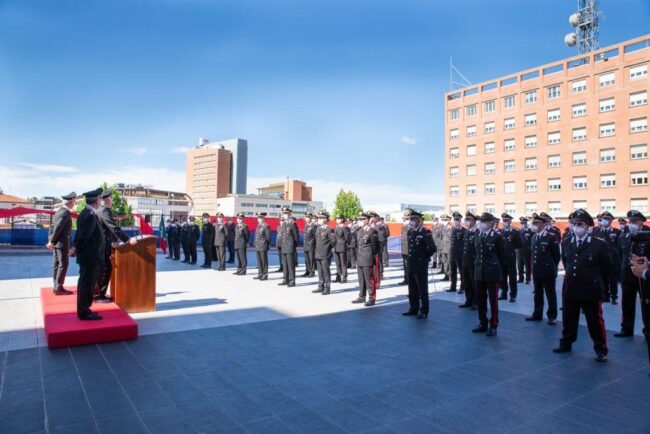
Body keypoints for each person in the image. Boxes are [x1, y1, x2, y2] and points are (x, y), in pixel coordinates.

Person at [553, 209, 612, 363]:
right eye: (573, 223)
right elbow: (566, 263)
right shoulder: (566, 242)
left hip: (590, 289)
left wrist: (604, 290)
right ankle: (566, 343)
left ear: (588, 227)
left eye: (580, 224)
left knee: (595, 322)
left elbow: (606, 269)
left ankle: (601, 349)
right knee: (568, 319)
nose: (576, 226)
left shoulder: (598, 244)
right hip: (571, 287)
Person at [96, 189, 136, 303]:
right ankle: (100, 295)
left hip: (104, 243)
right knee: (105, 269)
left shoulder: (103, 210)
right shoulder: (104, 211)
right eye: (112, 198)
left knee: (104, 269)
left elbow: (107, 229)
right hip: (102, 245)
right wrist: (127, 239)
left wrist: (115, 241)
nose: (112, 200)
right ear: (107, 199)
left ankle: (99, 293)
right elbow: (113, 228)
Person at [616, 210, 650, 337]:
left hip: (643, 275)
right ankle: (626, 329)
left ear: (642, 222)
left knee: (646, 303)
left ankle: (648, 329)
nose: (632, 224)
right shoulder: (624, 236)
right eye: (630, 222)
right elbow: (621, 255)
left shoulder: (648, 235)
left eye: (635, 221)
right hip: (627, 274)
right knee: (626, 302)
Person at [73, 188, 105, 321]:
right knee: (87, 283)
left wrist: (76, 249)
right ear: (96, 200)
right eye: (99, 199)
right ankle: (84, 311)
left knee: (86, 282)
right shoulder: (89, 215)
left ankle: (85, 308)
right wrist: (77, 249)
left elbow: (79, 235)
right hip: (89, 256)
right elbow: (83, 237)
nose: (100, 201)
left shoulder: (86, 213)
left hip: (88, 256)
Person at [472, 212, 505, 337]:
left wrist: (500, 275)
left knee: (493, 301)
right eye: (481, 221)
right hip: (479, 271)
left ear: (491, 223)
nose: (481, 223)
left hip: (492, 272)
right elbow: (476, 253)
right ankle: (482, 322)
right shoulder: (477, 234)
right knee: (480, 299)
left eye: (484, 221)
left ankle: (493, 324)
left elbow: (502, 256)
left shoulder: (497, 236)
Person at [526, 213, 561, 325]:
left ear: (544, 224)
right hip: (537, 270)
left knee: (550, 293)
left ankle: (552, 316)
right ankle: (537, 314)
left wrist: (553, 268)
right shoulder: (534, 237)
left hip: (547, 270)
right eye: (533, 222)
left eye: (537, 223)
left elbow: (556, 256)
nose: (534, 225)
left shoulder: (551, 237)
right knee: (537, 293)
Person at [402, 209, 436, 319]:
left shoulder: (425, 232)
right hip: (411, 264)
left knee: (422, 289)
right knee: (412, 289)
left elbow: (432, 248)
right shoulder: (410, 232)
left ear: (420, 220)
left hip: (421, 265)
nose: (411, 221)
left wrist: (424, 259)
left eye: (413, 219)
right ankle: (413, 308)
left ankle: (424, 310)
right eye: (410, 219)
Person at [47, 191, 77, 295]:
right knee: (63, 265)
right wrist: (52, 241)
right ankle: (58, 287)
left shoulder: (58, 212)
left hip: (57, 244)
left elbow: (52, 227)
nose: (75, 202)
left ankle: (56, 286)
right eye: (74, 200)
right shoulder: (65, 213)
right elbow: (58, 228)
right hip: (62, 244)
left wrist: (51, 240)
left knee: (56, 264)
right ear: (71, 201)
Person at [592, 211, 621, 304]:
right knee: (602, 278)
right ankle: (605, 295)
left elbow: (620, 247)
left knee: (613, 279)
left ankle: (614, 297)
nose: (605, 221)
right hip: (600, 260)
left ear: (611, 221)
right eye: (603, 219)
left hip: (613, 259)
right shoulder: (596, 231)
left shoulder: (617, 232)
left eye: (607, 219)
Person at [352, 212, 380, 307]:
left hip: (367, 258)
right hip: (360, 258)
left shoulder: (372, 231)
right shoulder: (359, 231)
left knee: (369, 279)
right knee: (361, 279)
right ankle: (361, 296)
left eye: (361, 219)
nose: (359, 221)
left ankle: (372, 298)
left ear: (366, 220)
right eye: (359, 219)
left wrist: (370, 256)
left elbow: (376, 247)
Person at [498, 213, 522, 302]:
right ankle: (504, 293)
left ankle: (513, 295)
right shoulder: (501, 232)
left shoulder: (515, 232)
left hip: (510, 258)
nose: (504, 222)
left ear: (510, 221)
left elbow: (518, 245)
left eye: (506, 220)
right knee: (502, 278)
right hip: (502, 258)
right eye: (503, 220)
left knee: (512, 278)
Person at [459, 211, 479, 310]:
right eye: (466, 219)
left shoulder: (478, 232)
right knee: (466, 282)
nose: (466, 221)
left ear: (475, 221)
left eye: (469, 219)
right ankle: (469, 300)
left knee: (474, 283)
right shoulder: (467, 231)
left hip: (473, 261)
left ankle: (476, 302)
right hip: (465, 260)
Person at [312, 211, 335, 295]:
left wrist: (327, 248)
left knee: (326, 271)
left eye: (321, 218)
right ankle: (320, 286)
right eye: (319, 218)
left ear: (326, 219)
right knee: (320, 271)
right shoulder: (318, 228)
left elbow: (333, 242)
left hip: (325, 254)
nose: (319, 219)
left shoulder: (329, 229)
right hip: (318, 253)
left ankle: (327, 287)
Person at [446, 211, 466, 293]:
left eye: (457, 219)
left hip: (460, 254)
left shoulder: (464, 230)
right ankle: (453, 286)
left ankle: (462, 287)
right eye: (455, 219)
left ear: (460, 220)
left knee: (461, 272)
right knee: (452, 271)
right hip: (452, 253)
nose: (456, 221)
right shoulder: (453, 230)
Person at [279, 207, 299, 287]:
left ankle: (292, 280)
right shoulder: (283, 223)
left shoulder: (292, 224)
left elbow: (296, 237)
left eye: (286, 213)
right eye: (284, 213)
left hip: (290, 247)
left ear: (290, 214)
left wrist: (293, 247)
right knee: (285, 264)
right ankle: (285, 279)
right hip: (283, 247)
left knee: (291, 265)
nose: (285, 215)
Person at [253, 212, 271, 280]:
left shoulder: (266, 226)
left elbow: (268, 237)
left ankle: (265, 275)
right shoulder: (258, 226)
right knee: (259, 261)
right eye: (258, 218)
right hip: (257, 246)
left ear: (263, 218)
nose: (259, 219)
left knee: (264, 261)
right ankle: (260, 274)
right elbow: (256, 236)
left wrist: (266, 245)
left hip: (263, 246)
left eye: (260, 218)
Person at [333, 215, 350, 283]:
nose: (337, 220)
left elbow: (346, 238)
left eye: (338, 218)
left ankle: (344, 277)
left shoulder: (344, 228)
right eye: (336, 218)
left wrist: (343, 244)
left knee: (343, 263)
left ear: (342, 219)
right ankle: (339, 277)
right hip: (336, 247)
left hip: (342, 247)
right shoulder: (336, 227)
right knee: (337, 263)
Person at [517, 217, 532, 284]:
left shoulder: (530, 231)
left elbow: (532, 241)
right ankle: (520, 278)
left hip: (527, 251)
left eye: (523, 223)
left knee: (527, 265)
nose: (522, 224)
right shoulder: (519, 231)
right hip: (519, 251)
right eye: (521, 223)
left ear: (526, 223)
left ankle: (528, 278)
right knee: (520, 265)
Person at [302, 213, 316, 277]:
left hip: (311, 245)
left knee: (311, 259)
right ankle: (307, 271)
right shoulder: (305, 225)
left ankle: (312, 272)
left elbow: (315, 236)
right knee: (306, 260)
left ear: (310, 218)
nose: (306, 219)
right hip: (305, 245)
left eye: (307, 217)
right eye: (306, 217)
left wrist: (313, 244)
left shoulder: (313, 226)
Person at [399, 211, 410, 286]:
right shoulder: (403, 227)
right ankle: (406, 279)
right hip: (404, 249)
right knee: (405, 266)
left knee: (408, 266)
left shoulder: (410, 227)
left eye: (406, 219)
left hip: (408, 250)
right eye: (404, 219)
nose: (404, 221)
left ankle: (408, 280)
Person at [440, 215, 452, 281]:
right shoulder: (442, 228)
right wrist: (440, 247)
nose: (444, 221)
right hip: (443, 248)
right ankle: (446, 275)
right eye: (443, 220)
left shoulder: (451, 228)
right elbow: (441, 238)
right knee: (444, 262)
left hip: (449, 248)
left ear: (448, 220)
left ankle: (450, 276)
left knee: (450, 263)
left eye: (445, 220)